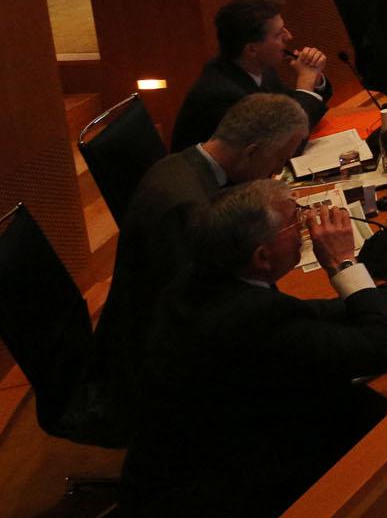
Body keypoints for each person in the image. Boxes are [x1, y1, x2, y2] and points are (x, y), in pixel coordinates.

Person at [116, 182, 387, 518]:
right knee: (386, 422)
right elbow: (383, 350)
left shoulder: (195, 282)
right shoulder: (250, 317)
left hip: (175, 479)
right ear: (262, 257)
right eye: (295, 225)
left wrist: (373, 306)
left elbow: (293, 315)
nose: (307, 229)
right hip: (219, 515)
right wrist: (345, 264)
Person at [97, 94, 313, 432]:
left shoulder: (178, 164)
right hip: (159, 374)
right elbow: (212, 310)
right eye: (279, 161)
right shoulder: (189, 208)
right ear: (252, 152)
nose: (275, 174)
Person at [171, 0, 329, 152]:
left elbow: (290, 108)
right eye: (278, 34)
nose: (289, 36)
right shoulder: (223, 94)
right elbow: (283, 146)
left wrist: (314, 78)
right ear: (252, 49)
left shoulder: (260, 68)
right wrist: (306, 82)